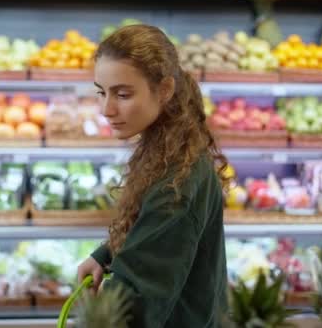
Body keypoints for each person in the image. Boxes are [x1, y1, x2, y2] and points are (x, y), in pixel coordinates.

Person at [77, 24, 229, 328]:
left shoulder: (178, 182)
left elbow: (137, 304)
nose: (107, 109)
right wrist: (106, 255)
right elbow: (156, 234)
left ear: (165, 90)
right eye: (101, 92)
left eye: (122, 94)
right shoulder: (170, 146)